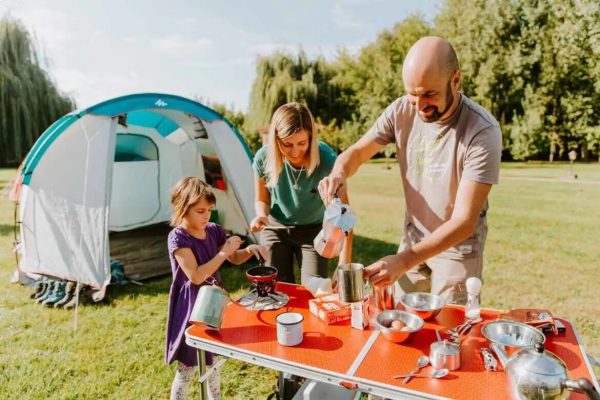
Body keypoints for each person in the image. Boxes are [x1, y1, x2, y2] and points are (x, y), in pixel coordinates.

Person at [319, 36, 502, 305]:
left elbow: (464, 221)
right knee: (401, 321)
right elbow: (356, 153)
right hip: (413, 236)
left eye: (429, 94)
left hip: (458, 250)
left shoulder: (482, 131)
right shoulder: (401, 110)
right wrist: (339, 172)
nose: (419, 105)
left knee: (449, 333)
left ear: (456, 80)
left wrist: (403, 260)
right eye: (412, 93)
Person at [166, 177, 268, 400]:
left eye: (209, 210)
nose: (206, 216)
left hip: (213, 303)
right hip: (190, 308)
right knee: (187, 369)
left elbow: (235, 258)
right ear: (182, 208)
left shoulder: (213, 230)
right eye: (200, 211)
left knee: (213, 362)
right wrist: (223, 253)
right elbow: (195, 275)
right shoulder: (178, 237)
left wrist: (250, 250)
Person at [250, 102, 352, 287]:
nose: (295, 152)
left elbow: (344, 214)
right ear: (276, 140)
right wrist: (261, 215)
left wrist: (344, 261)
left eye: (302, 143)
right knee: (276, 287)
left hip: (313, 232)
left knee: (315, 288)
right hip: (276, 230)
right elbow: (261, 199)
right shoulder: (263, 158)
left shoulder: (327, 160)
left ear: (311, 138)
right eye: (287, 144)